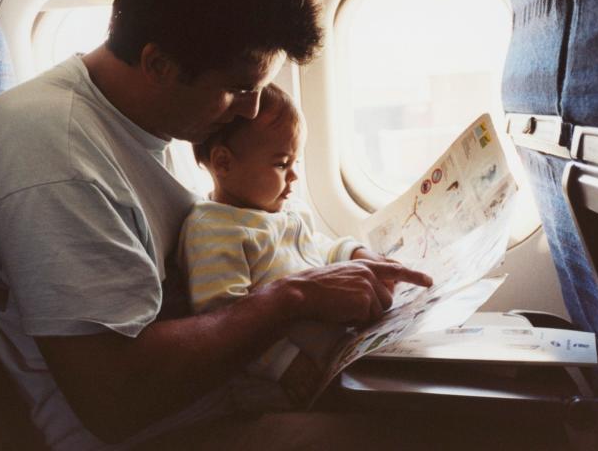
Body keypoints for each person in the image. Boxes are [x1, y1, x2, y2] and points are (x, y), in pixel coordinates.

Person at [0, 0, 432, 450]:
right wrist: (292, 298)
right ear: (158, 64)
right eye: (237, 89)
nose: (250, 111)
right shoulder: (52, 151)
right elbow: (115, 400)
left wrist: (337, 266)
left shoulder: (147, 124)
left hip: (221, 399)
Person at [180, 84, 424, 408]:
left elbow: (316, 249)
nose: (294, 176)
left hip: (332, 359)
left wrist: (355, 254)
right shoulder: (213, 230)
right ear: (223, 163)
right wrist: (285, 364)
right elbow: (223, 320)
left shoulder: (283, 211)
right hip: (277, 386)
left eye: (295, 161)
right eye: (282, 164)